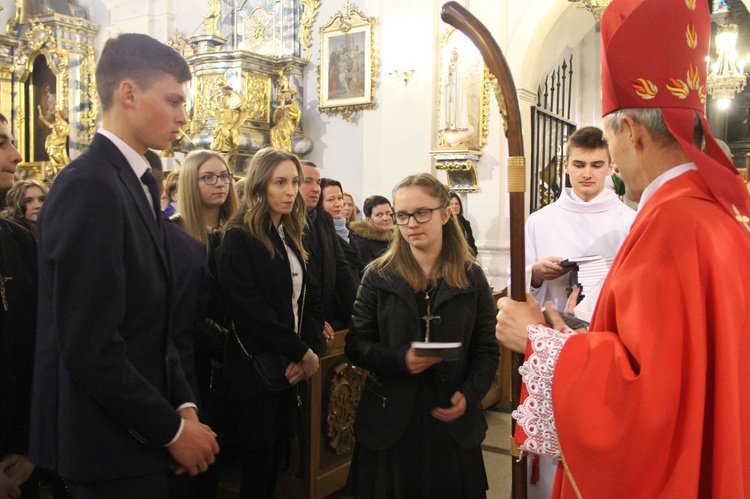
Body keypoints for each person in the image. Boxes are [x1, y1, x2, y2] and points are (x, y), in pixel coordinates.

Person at [495, 0, 750, 496]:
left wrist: (537, 340)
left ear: (630, 134)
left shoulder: (670, 228)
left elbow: (641, 403)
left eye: (609, 144)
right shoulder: (718, 217)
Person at [30, 33, 220, 498]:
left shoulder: (133, 181)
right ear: (128, 93)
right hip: (108, 449)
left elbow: (155, 324)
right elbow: (90, 345)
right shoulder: (89, 185)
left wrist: (186, 407)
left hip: (143, 433)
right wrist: (171, 431)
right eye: (173, 100)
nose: (183, 115)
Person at [345, 173, 499, 498]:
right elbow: (356, 345)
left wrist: (470, 393)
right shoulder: (378, 275)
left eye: (421, 212)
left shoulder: (471, 277)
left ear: (445, 214)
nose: (411, 223)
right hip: (391, 416)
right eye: (402, 215)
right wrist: (400, 359)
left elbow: (486, 349)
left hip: (450, 416)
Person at [215, 147, 324, 498]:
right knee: (258, 463)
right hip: (255, 368)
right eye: (280, 182)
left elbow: (308, 299)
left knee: (277, 459)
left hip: (287, 365)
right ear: (261, 185)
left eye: (295, 182)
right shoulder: (239, 236)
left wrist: (307, 348)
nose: (291, 190)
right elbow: (251, 312)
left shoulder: (291, 234)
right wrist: (299, 351)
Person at [524, 126, 635, 321]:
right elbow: (517, 284)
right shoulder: (539, 221)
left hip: (608, 328)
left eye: (597, 165)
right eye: (579, 164)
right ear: (566, 165)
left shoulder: (629, 221)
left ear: (610, 167)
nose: (587, 174)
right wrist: (536, 274)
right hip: (552, 327)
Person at [0, 112, 39, 499]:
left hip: (17, 449)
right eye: (1, 143)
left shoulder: (19, 240)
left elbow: (38, 345)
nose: (16, 154)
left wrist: (31, 446)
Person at [299, 161, 358, 332]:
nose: (315, 188)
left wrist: (358, 313)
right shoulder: (288, 223)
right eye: (307, 181)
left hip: (327, 312)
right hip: (305, 317)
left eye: (317, 182)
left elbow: (341, 266)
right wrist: (312, 318)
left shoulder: (323, 219)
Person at [319, 177, 363, 277]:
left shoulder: (347, 229)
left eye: (339, 198)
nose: (338, 204)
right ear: (320, 203)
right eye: (330, 200)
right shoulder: (320, 233)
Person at [349, 194, 394, 267]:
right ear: (368, 219)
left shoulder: (397, 238)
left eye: (388, 213)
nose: (386, 218)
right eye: (379, 215)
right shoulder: (361, 245)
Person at [211, 86, 244, 153]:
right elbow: (221, 108)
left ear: (229, 90)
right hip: (225, 119)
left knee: (224, 129)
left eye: (224, 91)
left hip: (233, 120)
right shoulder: (224, 98)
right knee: (218, 128)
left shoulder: (236, 97)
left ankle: (229, 146)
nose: (223, 93)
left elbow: (243, 110)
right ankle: (224, 146)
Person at [37, 108, 70, 172]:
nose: (56, 114)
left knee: (55, 155)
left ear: (60, 115)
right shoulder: (56, 123)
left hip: (58, 143)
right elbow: (50, 125)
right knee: (51, 154)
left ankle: (61, 166)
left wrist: (60, 134)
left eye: (57, 113)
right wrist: (43, 119)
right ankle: (55, 168)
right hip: (52, 141)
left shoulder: (64, 124)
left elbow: (66, 132)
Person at [448, 191, 478, 257]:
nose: (454, 206)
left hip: (467, 259)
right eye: (451, 204)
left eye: (457, 204)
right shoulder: (445, 224)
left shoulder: (465, 223)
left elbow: (472, 245)